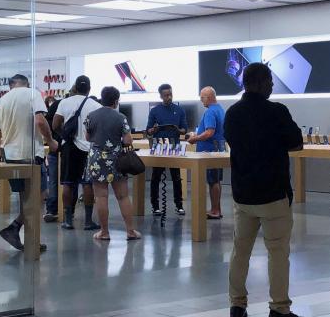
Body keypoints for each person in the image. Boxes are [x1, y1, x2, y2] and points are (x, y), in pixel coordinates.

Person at [224, 62, 306, 317]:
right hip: (273, 195)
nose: (272, 85)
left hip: (243, 195)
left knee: (240, 251)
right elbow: (296, 143)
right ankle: (279, 309)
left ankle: (237, 305)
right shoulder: (277, 112)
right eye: (269, 80)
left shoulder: (232, 113)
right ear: (259, 83)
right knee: (278, 252)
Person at [0, 74, 58, 252]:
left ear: (11, 85)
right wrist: (50, 141)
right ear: (27, 84)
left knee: (25, 199)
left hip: (11, 157)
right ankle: (15, 228)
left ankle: (30, 241)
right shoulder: (32, 94)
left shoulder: (2, 100)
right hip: (30, 156)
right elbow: (40, 120)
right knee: (39, 197)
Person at [85, 86, 141, 242]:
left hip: (96, 160)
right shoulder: (120, 117)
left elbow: (88, 137)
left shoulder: (91, 116)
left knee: (101, 196)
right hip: (116, 160)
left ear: (102, 99)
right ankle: (130, 231)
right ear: (116, 101)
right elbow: (128, 140)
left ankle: (104, 232)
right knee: (123, 197)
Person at [53, 76, 101, 231]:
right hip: (88, 149)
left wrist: (65, 136)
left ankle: (68, 220)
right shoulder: (95, 105)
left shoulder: (64, 102)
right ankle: (88, 221)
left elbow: (55, 124)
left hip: (69, 148)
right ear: (89, 88)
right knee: (87, 185)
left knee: (68, 183)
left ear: (75, 87)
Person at [146, 83, 187, 217]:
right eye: (165, 95)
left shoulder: (179, 110)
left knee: (176, 177)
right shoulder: (154, 111)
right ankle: (155, 206)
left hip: (174, 146)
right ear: (161, 96)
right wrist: (153, 129)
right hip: (159, 146)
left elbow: (184, 129)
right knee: (155, 177)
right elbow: (148, 130)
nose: (168, 97)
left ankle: (179, 205)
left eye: (170, 94)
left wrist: (178, 129)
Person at [187, 86, 225, 219]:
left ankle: (215, 211)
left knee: (213, 180)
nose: (201, 100)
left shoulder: (210, 112)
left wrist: (194, 139)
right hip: (218, 150)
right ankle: (216, 209)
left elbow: (209, 132)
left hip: (209, 151)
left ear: (208, 97)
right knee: (216, 180)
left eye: (202, 97)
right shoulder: (220, 109)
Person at [43, 95, 61, 222]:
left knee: (53, 180)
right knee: (71, 182)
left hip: (54, 148)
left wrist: (50, 140)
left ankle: (52, 209)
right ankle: (67, 212)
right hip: (70, 148)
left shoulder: (56, 106)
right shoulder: (62, 105)